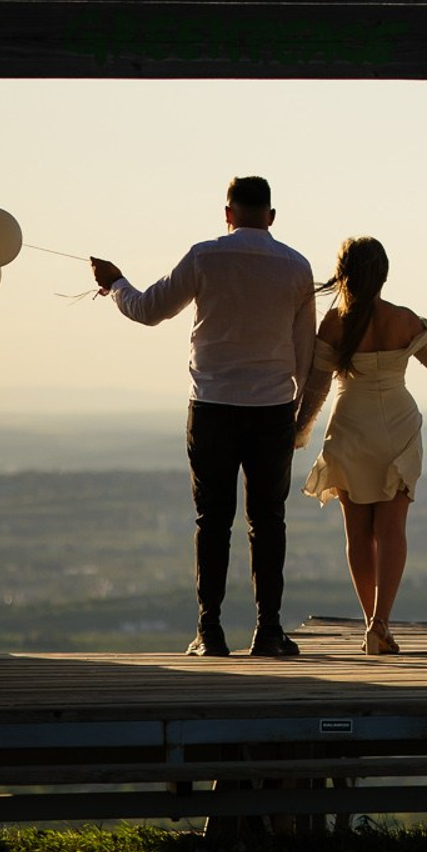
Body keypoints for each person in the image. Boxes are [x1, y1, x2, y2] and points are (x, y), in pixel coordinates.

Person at [90, 176, 315, 658]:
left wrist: (116, 283)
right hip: (272, 409)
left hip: (212, 406)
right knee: (268, 522)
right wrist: (295, 415)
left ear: (227, 213)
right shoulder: (297, 267)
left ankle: (209, 631)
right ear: (272, 216)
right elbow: (305, 354)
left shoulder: (204, 257)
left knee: (212, 521)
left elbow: (148, 310)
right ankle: (268, 630)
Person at [294, 237, 427, 654]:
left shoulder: (334, 324)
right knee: (392, 529)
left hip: (349, 428)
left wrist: (297, 431)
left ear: (344, 275)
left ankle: (370, 620)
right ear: (383, 274)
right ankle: (380, 623)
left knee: (357, 533)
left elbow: (316, 389)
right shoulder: (404, 320)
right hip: (397, 428)